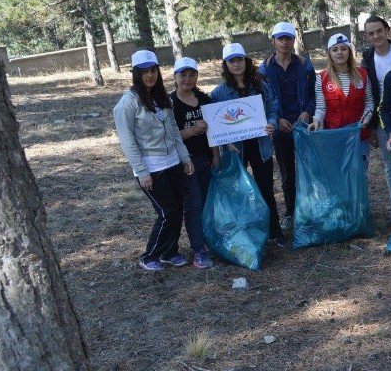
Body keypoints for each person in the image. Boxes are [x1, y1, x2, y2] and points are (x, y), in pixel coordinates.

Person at [113, 50, 193, 271]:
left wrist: (184, 157)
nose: (149, 76)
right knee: (167, 213)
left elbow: (175, 131)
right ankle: (150, 256)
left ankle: (170, 252)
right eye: (143, 72)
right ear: (135, 74)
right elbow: (128, 142)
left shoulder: (163, 98)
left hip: (172, 162)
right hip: (152, 167)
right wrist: (142, 171)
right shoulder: (127, 104)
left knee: (178, 209)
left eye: (152, 71)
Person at [210, 42, 284, 244]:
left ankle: (274, 231)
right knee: (240, 192)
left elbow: (272, 110)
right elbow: (215, 125)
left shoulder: (261, 86)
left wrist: (270, 124)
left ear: (246, 61)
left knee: (266, 188)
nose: (236, 64)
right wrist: (225, 144)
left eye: (239, 59)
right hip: (236, 150)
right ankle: (246, 232)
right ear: (226, 64)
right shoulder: (219, 94)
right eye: (231, 61)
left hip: (260, 146)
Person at [259, 21, 316, 231]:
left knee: (308, 170)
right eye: (280, 38)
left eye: (288, 38)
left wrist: (307, 112)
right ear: (273, 40)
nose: (284, 42)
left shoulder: (305, 65)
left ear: (293, 40)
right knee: (287, 173)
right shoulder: (264, 69)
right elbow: (264, 99)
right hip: (281, 129)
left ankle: (310, 208)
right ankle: (291, 212)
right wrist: (278, 119)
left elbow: (313, 94)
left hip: (303, 127)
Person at [169, 57, 213, 268]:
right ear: (175, 77)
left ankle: (209, 240)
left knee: (206, 202)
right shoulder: (169, 103)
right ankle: (198, 250)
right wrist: (193, 130)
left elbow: (214, 130)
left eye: (192, 74)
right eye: (182, 75)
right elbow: (170, 136)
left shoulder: (204, 99)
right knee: (193, 205)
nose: (187, 79)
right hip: (185, 163)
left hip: (205, 158)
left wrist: (216, 155)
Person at [361, 15, 391, 220]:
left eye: (379, 31)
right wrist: (370, 126)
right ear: (367, 37)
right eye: (371, 33)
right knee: (390, 165)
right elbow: (367, 94)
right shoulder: (367, 59)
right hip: (382, 120)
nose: (376, 36)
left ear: (387, 31)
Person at [309, 33, 375, 166]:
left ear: (349, 52)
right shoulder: (322, 78)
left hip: (359, 136)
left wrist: (365, 122)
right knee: (338, 173)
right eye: (335, 49)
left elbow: (369, 102)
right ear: (329, 54)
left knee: (360, 173)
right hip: (334, 136)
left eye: (343, 49)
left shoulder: (362, 74)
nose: (339, 52)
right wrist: (316, 121)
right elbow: (321, 107)